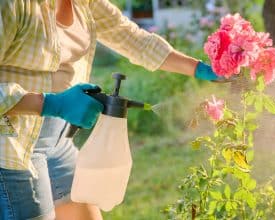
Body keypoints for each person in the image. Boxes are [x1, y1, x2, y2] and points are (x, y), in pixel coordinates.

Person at [0, 0, 224, 219]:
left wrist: (200, 69)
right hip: (12, 145)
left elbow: (132, 38)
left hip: (59, 140)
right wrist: (50, 104)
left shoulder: (85, 3)